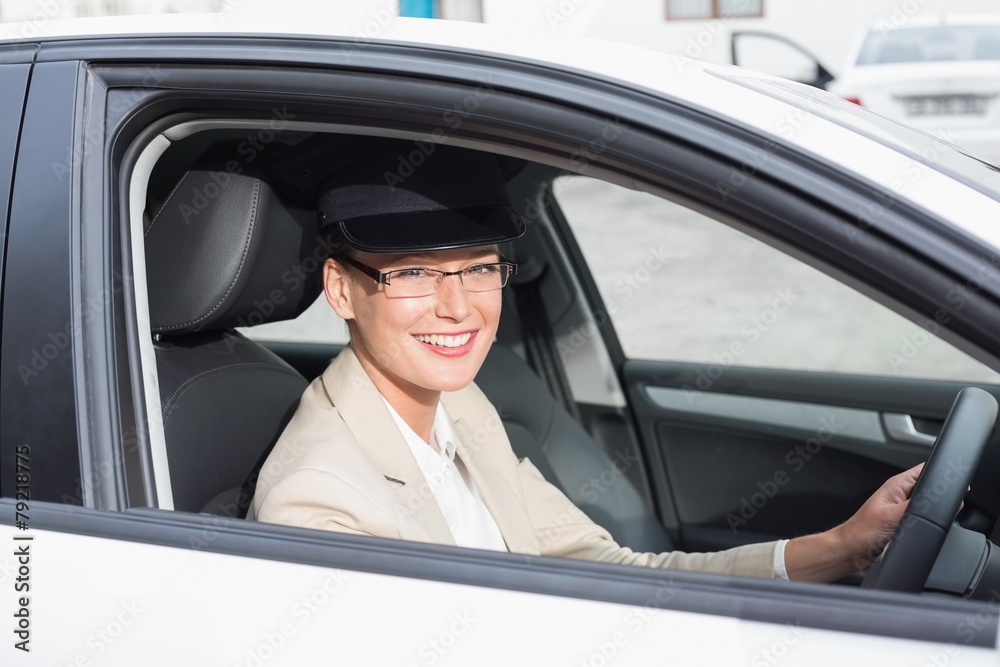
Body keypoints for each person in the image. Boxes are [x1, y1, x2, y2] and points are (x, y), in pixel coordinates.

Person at [250, 134, 922, 582]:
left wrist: (842, 545)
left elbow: (611, 570)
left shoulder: (458, 404)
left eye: (479, 267)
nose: (457, 307)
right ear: (341, 288)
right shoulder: (319, 506)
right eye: (415, 274)